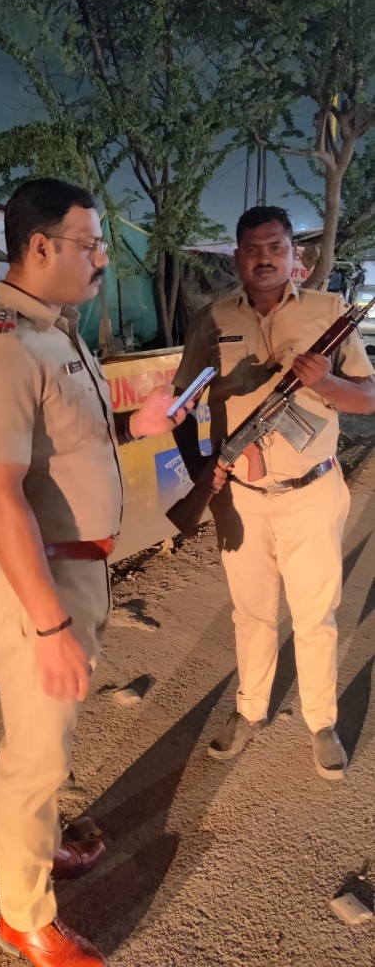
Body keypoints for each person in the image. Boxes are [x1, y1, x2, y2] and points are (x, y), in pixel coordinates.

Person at [0, 178, 191, 967]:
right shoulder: (1, 347)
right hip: (38, 588)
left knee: (53, 739)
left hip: (76, 572)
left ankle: (41, 841)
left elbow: (68, 440)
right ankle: (23, 919)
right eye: (90, 244)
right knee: (36, 756)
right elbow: (1, 496)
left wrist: (137, 423)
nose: (101, 259)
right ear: (41, 245)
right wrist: (50, 624)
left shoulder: (56, 332)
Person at [172, 205, 375, 782]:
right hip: (241, 496)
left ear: (295, 256)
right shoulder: (212, 320)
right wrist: (205, 469)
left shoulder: (329, 313)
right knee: (252, 614)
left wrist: (325, 382)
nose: (265, 258)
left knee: (315, 616)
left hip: (312, 493)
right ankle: (249, 711)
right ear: (238, 256)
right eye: (253, 248)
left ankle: (321, 722)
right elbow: (181, 405)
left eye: (276, 247)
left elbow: (368, 399)